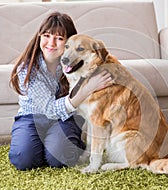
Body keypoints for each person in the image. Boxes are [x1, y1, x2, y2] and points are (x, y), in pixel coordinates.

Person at [9, 12, 112, 170]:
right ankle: (43, 143)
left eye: (59, 38)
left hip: (64, 119)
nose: (51, 43)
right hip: (31, 118)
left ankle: (60, 142)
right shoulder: (27, 69)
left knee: (59, 159)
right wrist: (89, 88)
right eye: (46, 35)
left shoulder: (78, 63)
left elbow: (99, 58)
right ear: (39, 37)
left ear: (69, 42)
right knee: (24, 159)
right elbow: (50, 109)